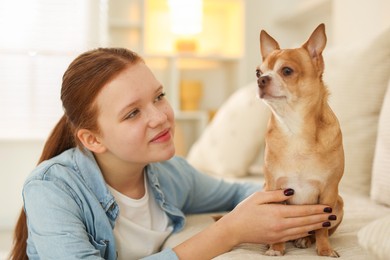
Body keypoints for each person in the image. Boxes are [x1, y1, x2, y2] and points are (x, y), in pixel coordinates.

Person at [10, 48, 337, 260]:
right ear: (92, 139)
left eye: (159, 96)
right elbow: (231, 226)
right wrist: (229, 232)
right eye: (132, 113)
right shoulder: (51, 189)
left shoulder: (170, 175)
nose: (160, 117)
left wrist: (309, 200)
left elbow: (240, 192)